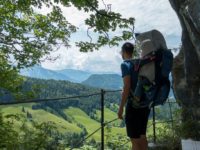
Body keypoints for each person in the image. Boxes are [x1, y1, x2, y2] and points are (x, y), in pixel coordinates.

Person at [118, 42, 150, 150]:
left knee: (135, 141)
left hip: (133, 105)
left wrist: (121, 108)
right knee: (142, 137)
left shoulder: (125, 64)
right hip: (145, 104)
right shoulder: (140, 63)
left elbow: (127, 87)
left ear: (123, 52)